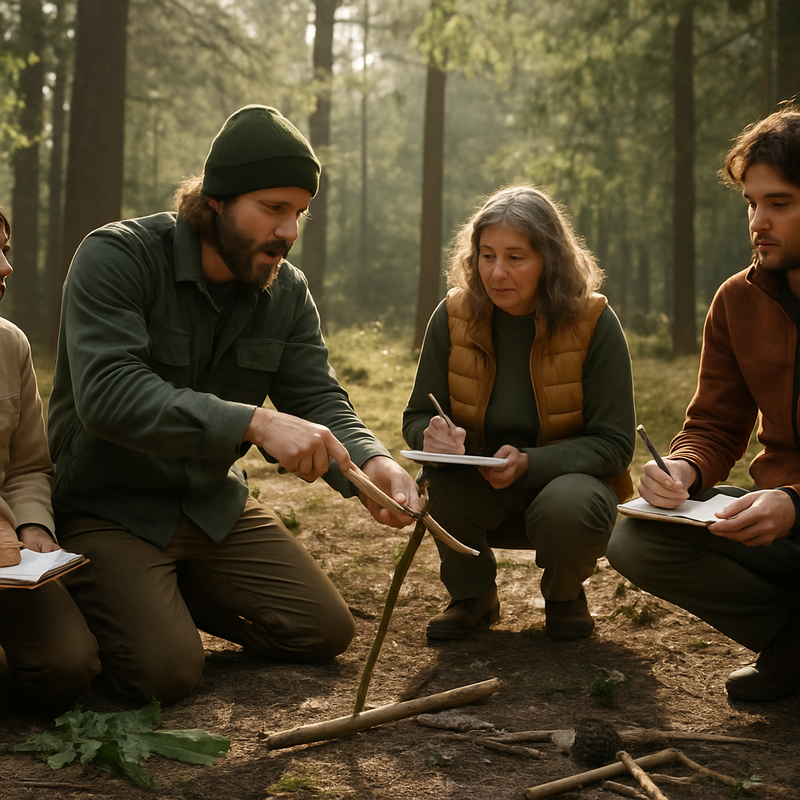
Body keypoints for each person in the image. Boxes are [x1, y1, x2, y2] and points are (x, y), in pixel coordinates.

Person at [47, 105, 422, 705]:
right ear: (216, 200)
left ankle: (160, 597)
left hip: (207, 507)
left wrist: (370, 464)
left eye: (299, 212)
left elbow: (318, 395)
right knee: (164, 673)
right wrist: (254, 421)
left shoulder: (285, 291)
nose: (289, 231)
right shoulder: (117, 258)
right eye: (273, 208)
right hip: (104, 507)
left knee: (321, 631)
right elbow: (108, 394)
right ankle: (97, 597)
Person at [607, 105, 800, 703]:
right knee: (634, 538)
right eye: (751, 203)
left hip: (793, 509)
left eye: (780, 204)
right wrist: (683, 470)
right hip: (775, 516)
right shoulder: (736, 302)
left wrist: (798, 504)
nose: (758, 221)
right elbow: (715, 423)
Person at [402, 185, 635, 642]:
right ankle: (472, 597)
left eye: (515, 257)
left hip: (566, 491)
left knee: (568, 503)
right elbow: (415, 417)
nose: (497, 272)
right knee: (439, 482)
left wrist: (532, 463)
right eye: (486, 255)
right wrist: (433, 438)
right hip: (478, 491)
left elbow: (615, 444)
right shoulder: (452, 317)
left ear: (549, 259)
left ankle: (565, 595)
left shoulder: (594, 323)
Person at [0, 204, 100, 708]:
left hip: (6, 560)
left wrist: (32, 527)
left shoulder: (9, 343)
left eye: (4, 250)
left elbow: (26, 466)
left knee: (69, 667)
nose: (6, 268)